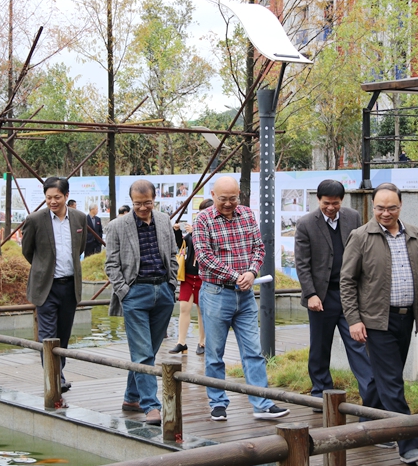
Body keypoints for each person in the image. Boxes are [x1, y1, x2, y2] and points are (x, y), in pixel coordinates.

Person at [341, 182, 418, 465]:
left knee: (384, 377)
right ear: (373, 207)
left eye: (391, 208)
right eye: (380, 208)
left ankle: (368, 424)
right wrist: (354, 320)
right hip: (376, 321)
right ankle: (408, 444)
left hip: (406, 317)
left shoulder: (416, 235)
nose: (385, 213)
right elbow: (347, 282)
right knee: (393, 382)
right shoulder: (360, 236)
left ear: (401, 206)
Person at [193, 176, 290, 421]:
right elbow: (204, 257)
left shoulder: (246, 214)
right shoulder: (203, 219)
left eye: (233, 198)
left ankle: (262, 403)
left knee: (253, 352)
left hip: (245, 294)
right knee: (214, 353)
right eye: (223, 199)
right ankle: (218, 403)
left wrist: (252, 272)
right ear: (213, 195)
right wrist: (236, 275)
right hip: (216, 293)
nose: (228, 203)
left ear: (239, 195)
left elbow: (259, 248)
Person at [294, 180, 383, 417]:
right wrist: (310, 294)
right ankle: (320, 394)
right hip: (321, 297)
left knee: (359, 346)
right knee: (320, 348)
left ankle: (370, 403)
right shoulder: (306, 224)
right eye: (326, 203)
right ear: (318, 200)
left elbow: (363, 252)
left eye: (335, 203)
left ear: (342, 201)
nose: (331, 208)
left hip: (349, 295)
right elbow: (302, 263)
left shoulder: (353, 217)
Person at [104, 179, 178, 426]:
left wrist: (172, 284)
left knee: (146, 352)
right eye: (138, 204)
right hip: (135, 293)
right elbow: (111, 264)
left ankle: (131, 398)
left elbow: (173, 255)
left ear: (154, 199)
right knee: (143, 352)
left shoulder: (164, 220)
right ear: (131, 201)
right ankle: (151, 406)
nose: (143, 208)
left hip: (163, 291)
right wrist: (124, 291)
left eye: (147, 203)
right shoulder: (117, 226)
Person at [21, 177, 87, 394]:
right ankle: (55, 377)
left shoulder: (79, 218)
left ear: (66, 196)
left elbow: (80, 248)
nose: (52, 202)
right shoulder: (35, 220)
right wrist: (43, 268)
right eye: (48, 197)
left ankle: (58, 372)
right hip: (46, 287)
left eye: (57, 197)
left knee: (64, 334)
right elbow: (27, 251)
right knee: (48, 335)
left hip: (70, 286)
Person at [169, 198, 214, 356]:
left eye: (204, 212)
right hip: (188, 275)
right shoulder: (194, 230)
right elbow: (182, 244)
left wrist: (195, 231)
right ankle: (181, 342)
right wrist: (177, 231)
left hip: (204, 277)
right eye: (200, 212)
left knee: (202, 310)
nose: (201, 215)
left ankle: (202, 342)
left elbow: (208, 247)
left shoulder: (212, 230)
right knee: (183, 307)